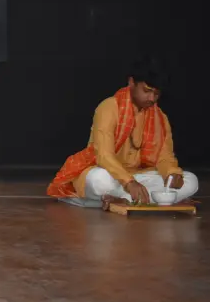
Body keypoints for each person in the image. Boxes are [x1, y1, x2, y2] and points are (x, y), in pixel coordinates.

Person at [46, 57, 199, 207]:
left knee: (191, 181)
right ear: (131, 82)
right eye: (147, 91)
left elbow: (165, 157)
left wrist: (172, 173)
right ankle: (146, 199)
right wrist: (128, 182)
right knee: (98, 179)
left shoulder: (160, 118)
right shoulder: (109, 108)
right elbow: (104, 156)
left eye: (157, 94)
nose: (152, 98)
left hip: (141, 176)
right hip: (110, 174)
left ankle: (121, 200)